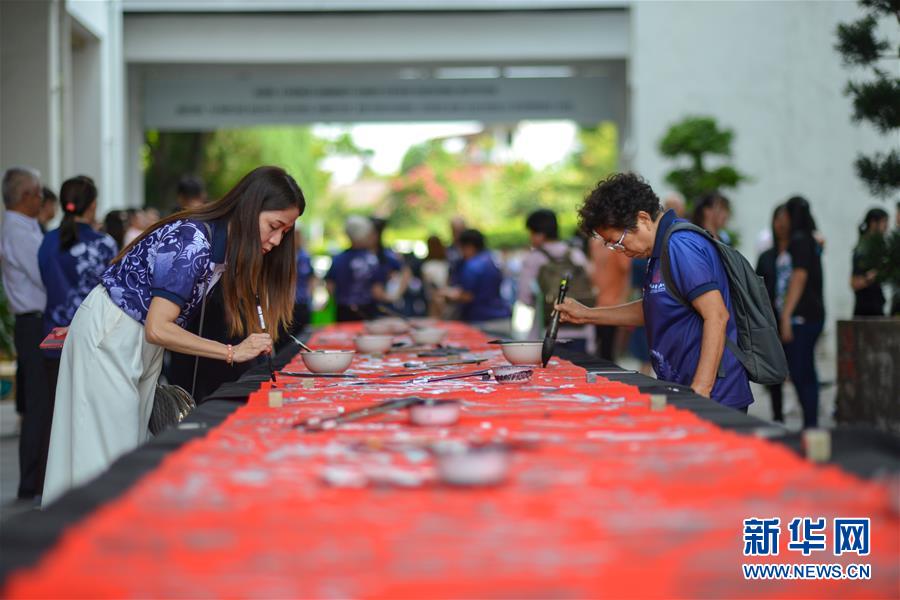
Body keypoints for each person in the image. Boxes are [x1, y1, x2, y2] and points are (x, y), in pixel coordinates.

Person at [43, 166, 304, 506]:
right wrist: (231, 351)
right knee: (104, 455)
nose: (276, 241)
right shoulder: (193, 239)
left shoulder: (217, 244)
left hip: (131, 337)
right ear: (250, 207)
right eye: (274, 227)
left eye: (285, 232)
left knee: (124, 450)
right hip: (117, 335)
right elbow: (159, 327)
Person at [555, 173, 753, 411]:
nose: (618, 250)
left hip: (714, 395)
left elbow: (717, 315)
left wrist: (701, 390)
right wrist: (587, 314)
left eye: (618, 241)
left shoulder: (680, 246)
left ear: (643, 219)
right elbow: (654, 307)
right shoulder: (658, 250)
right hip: (683, 385)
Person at [37, 176, 118, 493]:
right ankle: (87, 485)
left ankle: (50, 487)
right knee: (86, 416)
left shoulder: (47, 242)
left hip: (52, 337)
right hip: (92, 341)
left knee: (52, 417)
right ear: (93, 205)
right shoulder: (105, 244)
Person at [0, 167, 51, 500]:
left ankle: (37, 479)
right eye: (38, 193)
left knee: (42, 403)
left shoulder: (27, 227)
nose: (43, 199)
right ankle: (30, 483)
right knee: (38, 405)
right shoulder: (18, 231)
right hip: (33, 322)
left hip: (36, 321)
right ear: (24, 197)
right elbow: (43, 273)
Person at [780, 196, 825, 428]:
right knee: (805, 369)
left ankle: (811, 424)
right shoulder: (811, 239)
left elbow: (799, 276)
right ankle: (811, 423)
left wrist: (786, 315)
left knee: (801, 371)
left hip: (802, 316)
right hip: (814, 314)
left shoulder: (798, 240)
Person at [518, 209, 592, 342]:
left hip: (547, 331)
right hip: (582, 331)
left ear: (540, 234)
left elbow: (525, 297)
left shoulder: (534, 258)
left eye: (531, 233)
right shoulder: (576, 254)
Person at [755, 204, 790, 422]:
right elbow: (757, 289)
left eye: (785, 219)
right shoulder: (766, 256)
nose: (781, 224)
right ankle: (778, 416)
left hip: (796, 320)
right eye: (777, 219)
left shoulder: (801, 254)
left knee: (800, 369)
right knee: (775, 369)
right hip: (772, 321)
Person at [441, 229, 511, 328]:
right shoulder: (491, 258)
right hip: (501, 317)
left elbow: (468, 296)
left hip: (482, 320)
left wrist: (449, 294)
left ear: (469, 246)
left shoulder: (472, 265)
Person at [325, 215, 387, 322]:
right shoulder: (372, 259)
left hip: (343, 311)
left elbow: (330, 289)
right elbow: (377, 292)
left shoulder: (338, 259)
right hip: (367, 311)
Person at [851, 207, 889, 317]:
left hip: (876, 306)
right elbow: (854, 283)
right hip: (866, 310)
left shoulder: (878, 247)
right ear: (873, 223)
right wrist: (872, 276)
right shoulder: (863, 249)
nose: (886, 227)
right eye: (884, 222)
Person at [291, 229, 314, 338]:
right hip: (287, 303)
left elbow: (311, 278)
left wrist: (309, 295)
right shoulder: (284, 257)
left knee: (303, 335)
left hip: (302, 301)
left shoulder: (305, 257)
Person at [421, 235, 449, 318]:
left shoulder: (445, 263)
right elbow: (429, 283)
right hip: (434, 296)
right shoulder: (427, 265)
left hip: (443, 294)